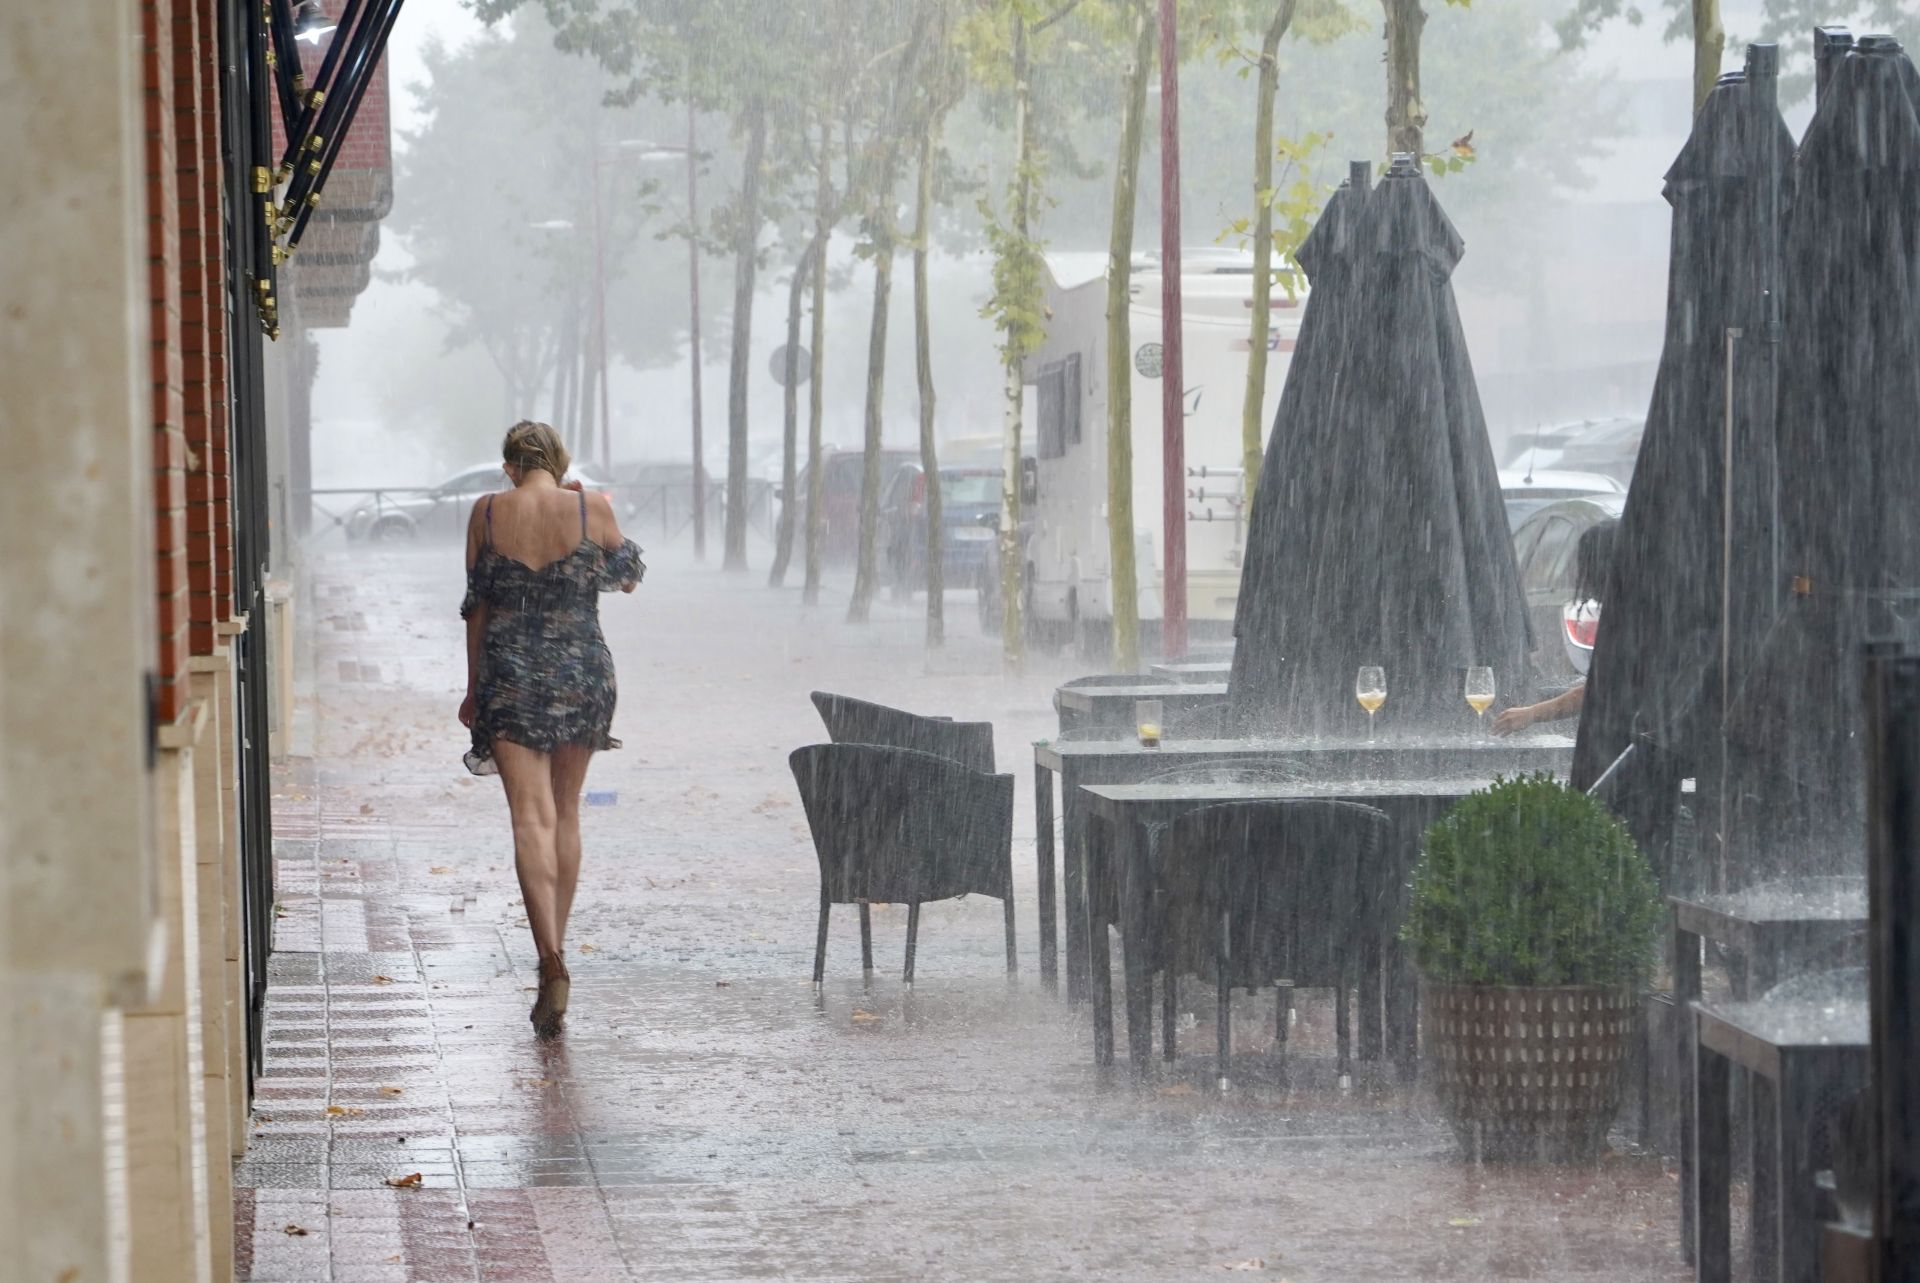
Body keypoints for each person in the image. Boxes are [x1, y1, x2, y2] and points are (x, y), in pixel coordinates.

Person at [459, 421, 644, 1037]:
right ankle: (556, 953)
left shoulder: (486, 514)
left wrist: (471, 689)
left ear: (509, 466)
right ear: (559, 464)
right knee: (567, 812)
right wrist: (584, 508)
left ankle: (549, 959)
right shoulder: (590, 508)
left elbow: (476, 611)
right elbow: (627, 576)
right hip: (581, 673)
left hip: (510, 672)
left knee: (528, 818)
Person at [1492, 518, 1618, 736]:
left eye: (1588, 568)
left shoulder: (1636, 618)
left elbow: (1601, 689)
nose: (1584, 579)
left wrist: (1532, 713)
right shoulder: (1651, 606)